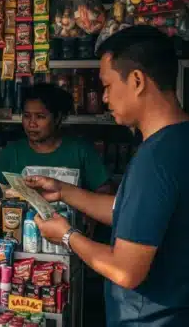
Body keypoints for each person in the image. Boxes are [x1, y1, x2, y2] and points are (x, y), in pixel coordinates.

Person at [27, 26, 189, 326]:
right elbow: (132, 214)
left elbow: (126, 271)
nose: (103, 98)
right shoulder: (178, 141)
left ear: (137, 81)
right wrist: (62, 190)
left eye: (108, 85)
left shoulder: (155, 161)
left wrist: (65, 235)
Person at [0, 83, 111, 198]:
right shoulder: (12, 152)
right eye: (27, 116)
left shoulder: (81, 150)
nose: (32, 124)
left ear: (58, 118)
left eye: (40, 117)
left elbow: (105, 191)